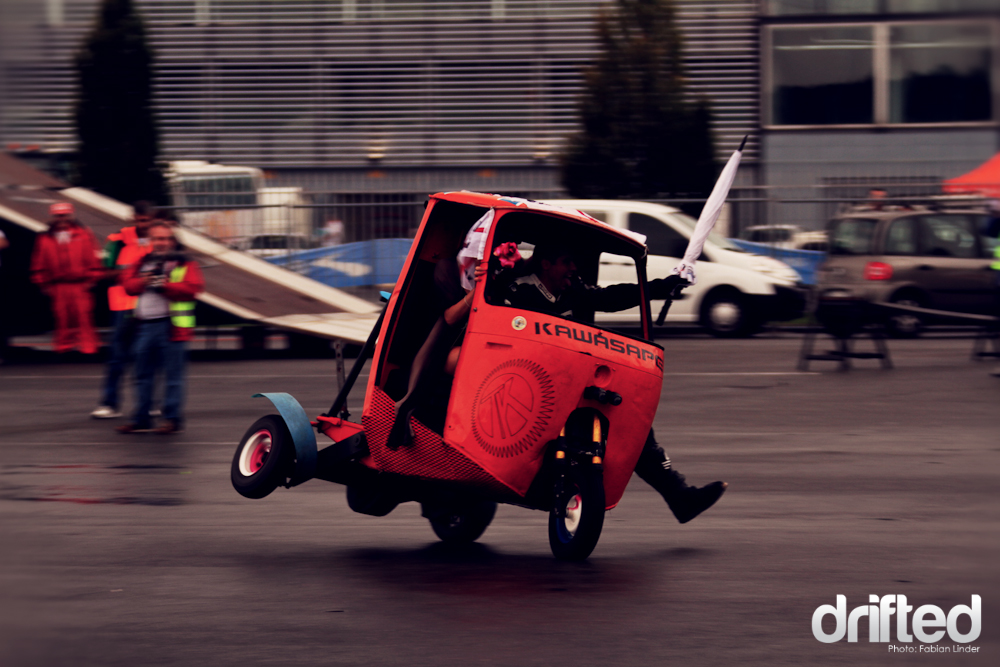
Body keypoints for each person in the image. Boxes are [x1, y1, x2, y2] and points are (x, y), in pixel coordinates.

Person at [503, 242, 727, 524]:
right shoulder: (517, 292)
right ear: (545, 264)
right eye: (566, 260)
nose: (573, 268)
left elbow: (609, 298)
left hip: (571, 380)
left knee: (630, 419)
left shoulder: (572, 289)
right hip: (528, 387)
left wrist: (659, 288)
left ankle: (679, 496)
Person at [116, 222, 204, 434]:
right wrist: (144, 281)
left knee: (173, 376)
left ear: (172, 241)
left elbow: (193, 288)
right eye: (157, 239)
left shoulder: (184, 263)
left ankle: (171, 419)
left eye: (165, 239)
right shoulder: (143, 262)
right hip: (144, 326)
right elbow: (127, 285)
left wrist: (164, 285)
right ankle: (141, 418)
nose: (161, 243)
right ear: (150, 241)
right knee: (142, 374)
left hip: (171, 326)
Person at [91, 201, 155, 419]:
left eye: (146, 220)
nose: (142, 224)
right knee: (118, 356)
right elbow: (103, 273)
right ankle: (110, 403)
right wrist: (129, 274)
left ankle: (148, 403)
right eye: (139, 220)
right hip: (123, 306)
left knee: (147, 356)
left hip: (150, 306)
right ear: (133, 218)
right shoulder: (117, 240)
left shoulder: (160, 240)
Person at [29, 203, 102, 356]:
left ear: (71, 215)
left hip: (80, 285)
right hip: (58, 286)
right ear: (53, 217)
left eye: (64, 215)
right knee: (62, 319)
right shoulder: (44, 238)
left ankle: (88, 350)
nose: (62, 218)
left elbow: (93, 259)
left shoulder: (83, 234)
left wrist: (92, 279)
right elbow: (38, 262)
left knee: (84, 318)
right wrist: (43, 284)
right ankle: (63, 350)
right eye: (58, 215)